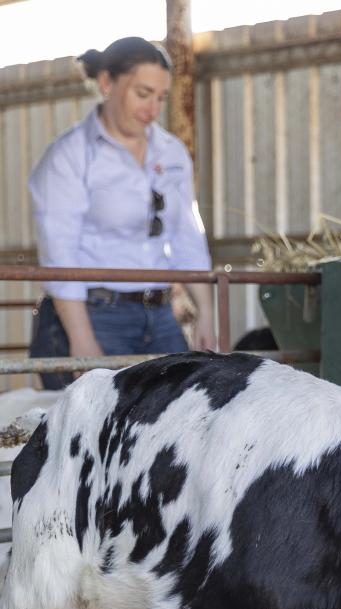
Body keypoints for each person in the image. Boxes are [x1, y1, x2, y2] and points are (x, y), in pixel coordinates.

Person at [28, 36, 214, 389]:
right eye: (143, 94)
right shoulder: (70, 156)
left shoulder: (171, 153)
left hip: (160, 314)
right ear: (106, 83)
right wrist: (81, 340)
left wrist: (205, 314)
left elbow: (187, 235)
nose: (153, 108)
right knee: (99, 427)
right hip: (95, 315)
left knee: (182, 409)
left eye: (161, 97)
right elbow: (59, 253)